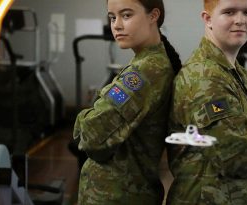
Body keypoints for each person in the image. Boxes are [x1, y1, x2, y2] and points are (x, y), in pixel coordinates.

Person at [166, 0, 247, 204]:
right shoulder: (205, 77)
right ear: (208, 19)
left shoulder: (237, 73)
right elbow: (237, 158)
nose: (240, 20)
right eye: (229, 12)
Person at [72, 0, 181, 204]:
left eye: (126, 15)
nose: (117, 25)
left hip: (118, 195)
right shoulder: (147, 62)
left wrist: (82, 119)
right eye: (113, 17)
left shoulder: (145, 72)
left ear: (153, 16)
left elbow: (91, 134)